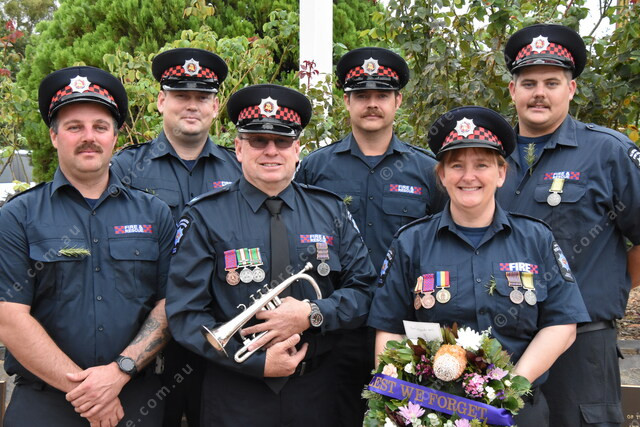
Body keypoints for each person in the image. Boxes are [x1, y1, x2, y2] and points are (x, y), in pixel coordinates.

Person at [165, 84, 378, 427]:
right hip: (235, 392)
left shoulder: (330, 211)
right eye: (258, 141)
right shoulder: (205, 216)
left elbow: (365, 290)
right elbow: (186, 315)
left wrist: (313, 313)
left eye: (282, 141)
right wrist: (255, 362)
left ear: (297, 149)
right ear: (238, 148)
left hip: (319, 391)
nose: (270, 151)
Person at [368, 106, 591, 426]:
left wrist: (505, 392)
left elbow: (562, 325)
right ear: (442, 175)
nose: (468, 176)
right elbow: (389, 329)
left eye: (482, 165)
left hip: (515, 412)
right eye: (456, 165)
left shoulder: (535, 239)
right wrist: (399, 404)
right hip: (434, 414)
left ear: (501, 173)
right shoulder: (411, 242)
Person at [0, 66, 175, 426]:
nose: (89, 137)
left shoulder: (155, 213)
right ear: (54, 136)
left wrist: (119, 373)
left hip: (134, 398)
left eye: (100, 126)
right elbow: (9, 317)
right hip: (44, 405)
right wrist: (90, 394)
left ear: (115, 137)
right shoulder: (18, 216)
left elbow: (170, 304)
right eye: (74, 127)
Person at [498, 23, 640, 426]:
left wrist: (607, 285)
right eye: (529, 83)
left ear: (572, 89)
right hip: (503, 342)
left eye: (552, 83)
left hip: (583, 346)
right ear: (513, 90)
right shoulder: (487, 159)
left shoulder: (608, 153)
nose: (539, 93)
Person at [295, 46, 445, 425]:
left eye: (382, 95)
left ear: (398, 101)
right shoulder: (315, 168)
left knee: (403, 418)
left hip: (404, 330)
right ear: (347, 101)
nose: (372, 104)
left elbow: (444, 243)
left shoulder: (428, 172)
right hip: (334, 328)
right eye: (362, 95)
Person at [110, 47, 242, 427]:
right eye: (181, 95)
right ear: (161, 101)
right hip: (145, 341)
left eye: (202, 97)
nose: (192, 105)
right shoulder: (124, 168)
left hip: (218, 338)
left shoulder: (239, 170)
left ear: (215, 106)